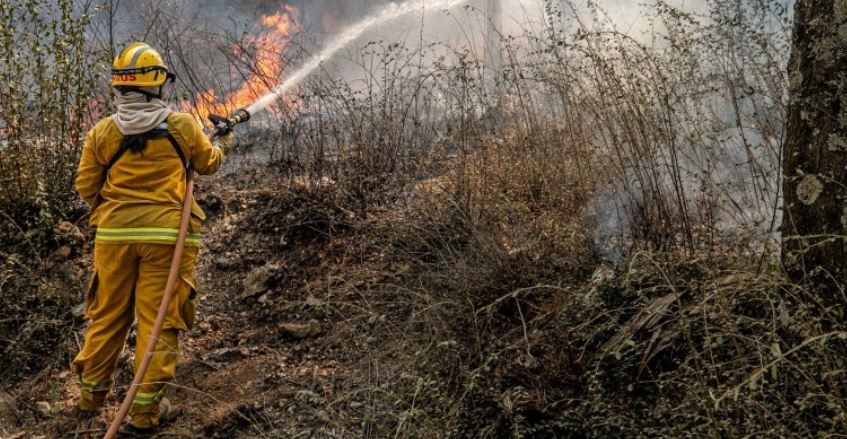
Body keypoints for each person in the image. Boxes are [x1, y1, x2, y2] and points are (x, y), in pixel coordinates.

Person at [72, 42, 232, 437]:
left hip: (112, 238)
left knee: (107, 316)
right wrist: (223, 142)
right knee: (158, 322)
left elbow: (85, 186)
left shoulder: (103, 131)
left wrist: (114, 206)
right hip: (167, 239)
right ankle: (143, 415)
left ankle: (90, 401)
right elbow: (208, 163)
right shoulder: (181, 125)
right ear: (156, 83)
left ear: (120, 87)